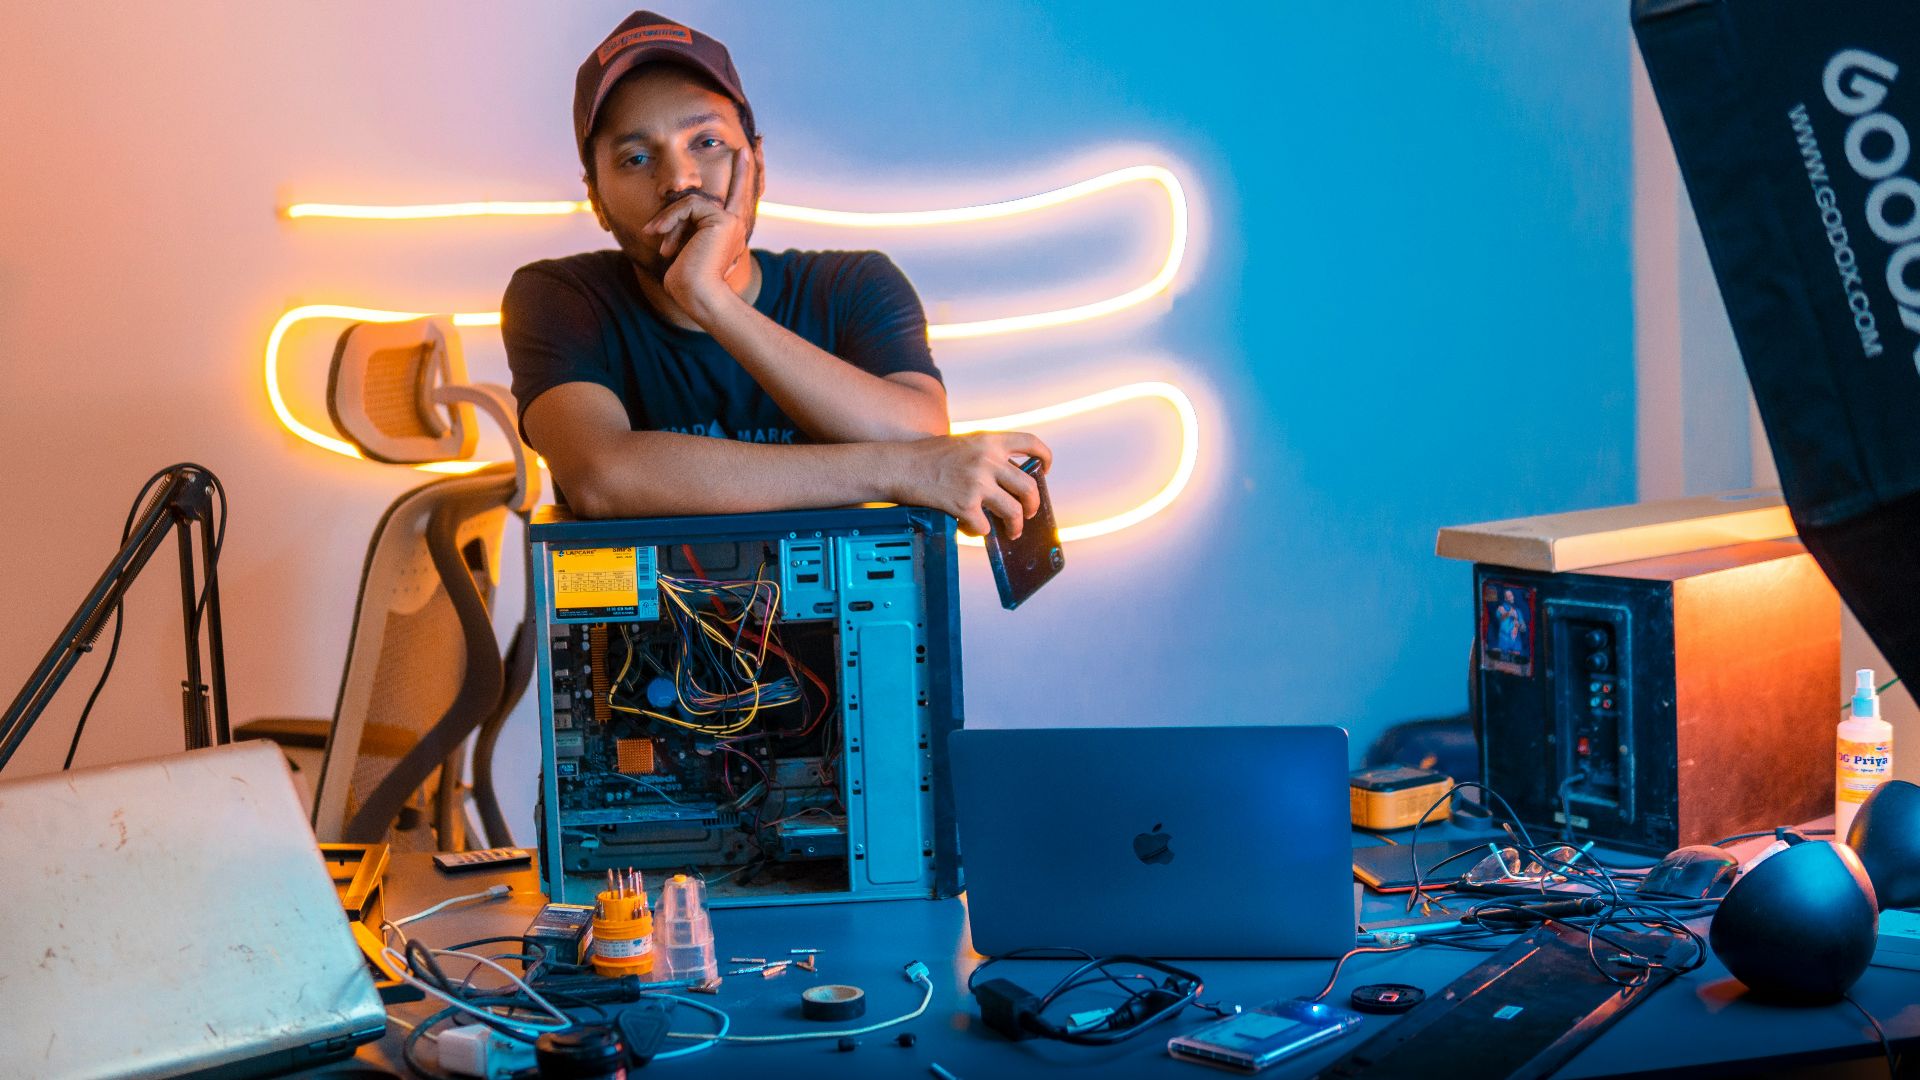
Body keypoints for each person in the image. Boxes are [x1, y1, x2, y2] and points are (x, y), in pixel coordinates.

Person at [503, 11, 1051, 538]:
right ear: (596, 199)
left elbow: (921, 437)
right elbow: (604, 479)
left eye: (707, 142)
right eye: (636, 159)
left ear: (757, 165)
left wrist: (712, 302)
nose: (680, 179)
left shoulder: (855, 286)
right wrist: (896, 470)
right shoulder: (557, 298)